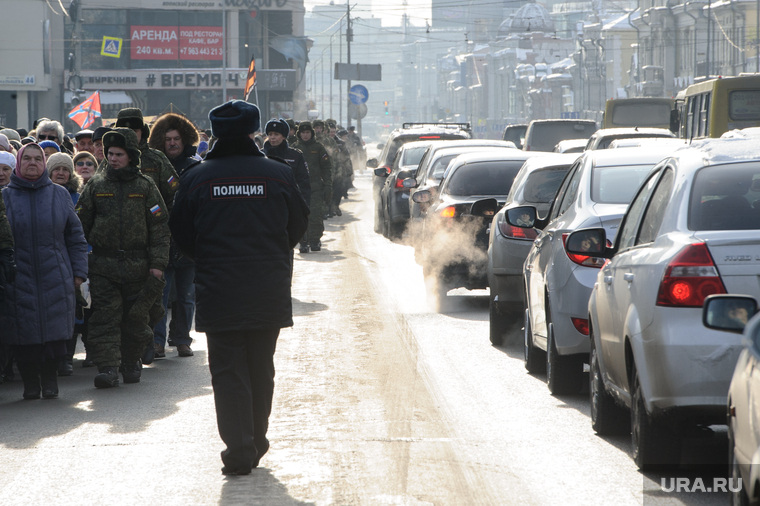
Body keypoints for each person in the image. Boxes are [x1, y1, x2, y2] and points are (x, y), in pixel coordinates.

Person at [169, 100, 309, 475]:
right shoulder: (278, 174)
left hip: (218, 289)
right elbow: (297, 226)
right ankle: (256, 441)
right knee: (261, 367)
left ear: (214, 135)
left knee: (228, 371)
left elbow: (181, 234)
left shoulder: (197, 178)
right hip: (267, 287)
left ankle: (240, 448)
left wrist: (211, 258)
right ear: (254, 132)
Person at [76, 128, 170, 388]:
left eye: (119, 154)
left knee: (136, 319)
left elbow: (160, 228)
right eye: (109, 153)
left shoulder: (145, 186)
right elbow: (78, 225)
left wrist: (158, 265)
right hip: (103, 266)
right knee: (105, 318)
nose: (113, 158)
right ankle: (108, 368)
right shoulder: (96, 185)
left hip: (139, 266)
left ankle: (131, 362)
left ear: (131, 156)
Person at [1, 143, 88, 399]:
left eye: (37, 159)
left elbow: (76, 237)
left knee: (54, 336)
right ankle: (30, 384)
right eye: (26, 158)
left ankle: (50, 381)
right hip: (18, 278)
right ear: (18, 163)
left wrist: (79, 273)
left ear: (43, 163)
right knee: (23, 335)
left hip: (56, 276)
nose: (32, 163)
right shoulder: (4, 197)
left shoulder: (60, 195)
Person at [146, 112, 202, 360]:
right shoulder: (153, 165)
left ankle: (181, 340)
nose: (172, 143)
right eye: (167, 138)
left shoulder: (196, 166)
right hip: (161, 240)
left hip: (188, 241)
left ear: (185, 139)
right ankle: (157, 342)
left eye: (176, 138)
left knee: (187, 296)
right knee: (161, 294)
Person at [46, 152, 84, 375]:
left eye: (65, 169)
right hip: (50, 260)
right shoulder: (43, 195)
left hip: (70, 260)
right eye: (56, 169)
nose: (61, 173)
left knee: (72, 312)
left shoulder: (78, 197)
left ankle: (66, 358)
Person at [114, 108, 179, 212]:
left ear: (142, 132)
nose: (129, 136)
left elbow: (175, 193)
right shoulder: (109, 161)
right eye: (124, 131)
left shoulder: (157, 160)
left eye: (134, 131)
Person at [292, 121, 331, 253]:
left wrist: (328, 185)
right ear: (299, 134)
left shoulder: (319, 148)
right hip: (299, 189)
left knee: (315, 215)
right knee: (300, 216)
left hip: (315, 188)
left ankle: (315, 240)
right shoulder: (294, 149)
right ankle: (303, 241)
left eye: (308, 132)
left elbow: (326, 168)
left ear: (311, 133)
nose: (305, 135)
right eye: (303, 132)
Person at [262, 118, 311, 206]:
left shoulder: (295, 156)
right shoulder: (261, 155)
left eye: (276, 134)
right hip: (265, 204)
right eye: (270, 134)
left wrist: (304, 206)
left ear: (284, 136)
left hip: (288, 202)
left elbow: (303, 183)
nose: (272, 137)